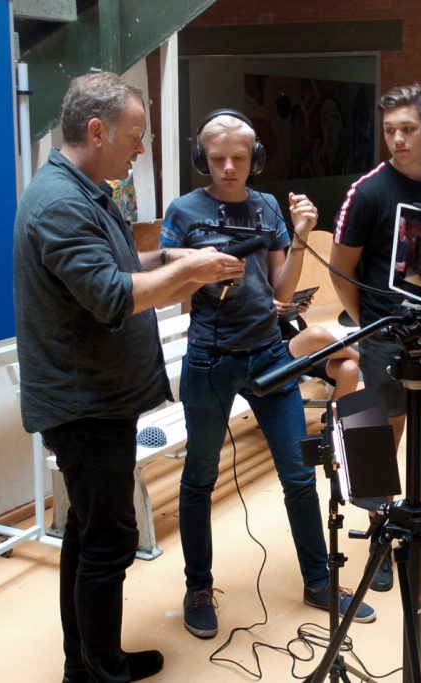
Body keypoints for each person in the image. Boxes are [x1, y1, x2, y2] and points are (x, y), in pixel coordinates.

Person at [13, 71, 246, 683]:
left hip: (98, 397)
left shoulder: (85, 189)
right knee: (110, 541)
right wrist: (191, 270)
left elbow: (120, 266)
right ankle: (100, 670)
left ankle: (83, 664)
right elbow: (112, 295)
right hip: (83, 403)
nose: (141, 147)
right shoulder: (60, 203)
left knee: (88, 536)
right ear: (97, 130)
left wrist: (171, 259)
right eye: (136, 135)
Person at [160, 110, 375, 639]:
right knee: (199, 479)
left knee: (298, 476)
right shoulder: (184, 211)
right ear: (201, 160)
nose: (229, 168)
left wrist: (301, 232)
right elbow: (165, 284)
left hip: (268, 353)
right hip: (210, 361)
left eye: (239, 158)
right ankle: (199, 586)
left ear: (255, 158)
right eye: (217, 159)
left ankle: (318, 579)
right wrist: (197, 267)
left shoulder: (265, 208)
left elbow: (282, 293)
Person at [330, 83, 421, 591]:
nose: (397, 139)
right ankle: (380, 533)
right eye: (389, 130)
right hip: (385, 336)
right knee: (379, 435)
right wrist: (372, 324)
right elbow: (341, 270)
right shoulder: (369, 190)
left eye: (408, 129)